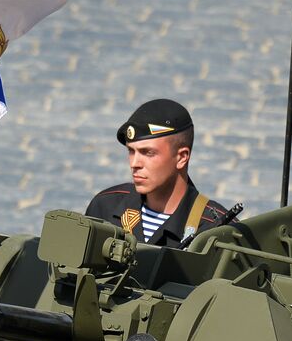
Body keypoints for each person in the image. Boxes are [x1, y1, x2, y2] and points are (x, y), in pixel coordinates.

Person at [85, 98, 236, 249]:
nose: (134, 163)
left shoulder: (216, 231)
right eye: (131, 151)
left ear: (182, 157)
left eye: (148, 153)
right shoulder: (106, 207)